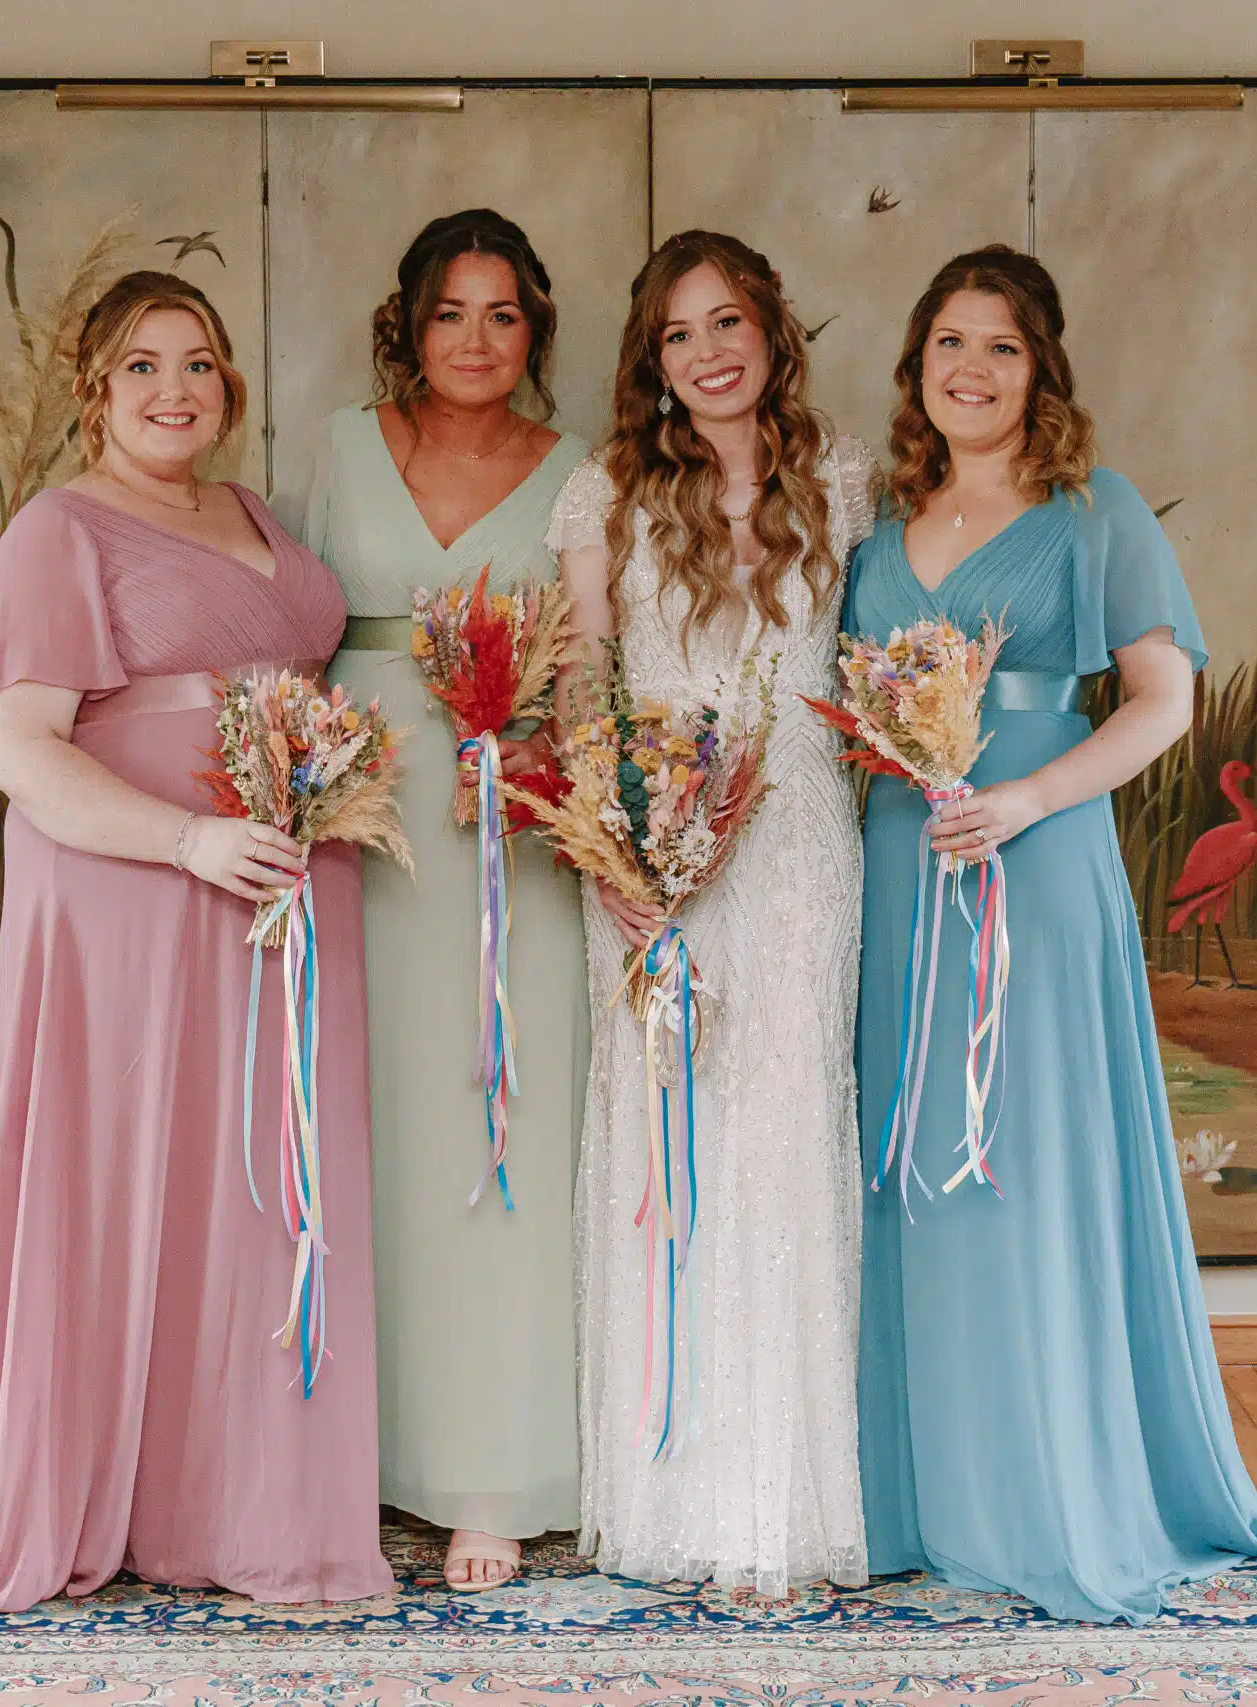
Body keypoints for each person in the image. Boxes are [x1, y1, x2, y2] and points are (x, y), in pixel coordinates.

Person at [848, 245, 1257, 1623]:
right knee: (911, 1163)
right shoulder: (874, 537)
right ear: (918, 366)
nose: (972, 369)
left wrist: (1023, 797)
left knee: (1030, 1162)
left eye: (1002, 347)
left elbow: (1163, 702)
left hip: (1039, 860)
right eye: (950, 341)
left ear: (1043, 369)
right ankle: (925, 1494)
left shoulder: (1095, 512)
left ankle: (1052, 1495)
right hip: (906, 869)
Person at [0, 270, 394, 1613]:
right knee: (136, 1177)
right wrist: (188, 842)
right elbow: (18, 750)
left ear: (228, 384)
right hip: (140, 897)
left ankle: (248, 1498)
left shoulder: (253, 514)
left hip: (288, 886)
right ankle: (122, 1490)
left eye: (196, 363)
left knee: (263, 1193)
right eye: (141, 366)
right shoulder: (56, 529)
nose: (173, 388)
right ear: (94, 392)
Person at [549, 230, 873, 1595]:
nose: (708, 353)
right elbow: (578, 690)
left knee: (785, 1146)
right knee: (669, 1159)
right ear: (651, 360)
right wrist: (611, 853)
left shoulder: (842, 483)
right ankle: (670, 1498)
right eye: (679, 334)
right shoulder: (605, 493)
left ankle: (776, 1514)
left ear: (771, 332)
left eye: (729, 321)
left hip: (798, 844)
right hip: (657, 854)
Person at [302, 210, 589, 1592]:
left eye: (503, 316)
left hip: (507, 831)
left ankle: (492, 1466)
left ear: (534, 330)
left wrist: (547, 764)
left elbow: (598, 660)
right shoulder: (340, 447)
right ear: (407, 322)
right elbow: (290, 637)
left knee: (501, 1121)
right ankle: (351, 1460)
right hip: (362, 820)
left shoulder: (580, 471)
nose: (475, 342)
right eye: (449, 314)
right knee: (374, 1128)